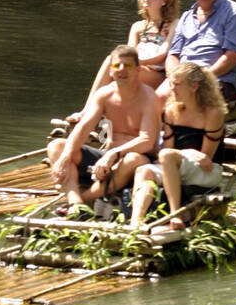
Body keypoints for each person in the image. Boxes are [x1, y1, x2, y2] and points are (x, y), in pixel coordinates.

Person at [48, 46, 160, 208]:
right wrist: (66, 156)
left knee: (131, 158)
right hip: (106, 157)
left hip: (138, 159)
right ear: (110, 71)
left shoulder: (149, 97)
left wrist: (114, 154)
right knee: (56, 146)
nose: (122, 70)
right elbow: (84, 128)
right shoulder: (104, 94)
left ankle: (85, 199)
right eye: (116, 66)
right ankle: (75, 202)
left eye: (127, 66)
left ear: (138, 70)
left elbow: (147, 141)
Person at [130, 63, 227, 230]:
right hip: (177, 166)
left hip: (207, 171)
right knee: (143, 170)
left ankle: (175, 215)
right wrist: (187, 152)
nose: (171, 88)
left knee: (167, 156)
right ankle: (135, 222)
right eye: (171, 83)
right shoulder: (171, 111)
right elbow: (166, 150)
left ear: (194, 87)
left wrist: (179, 155)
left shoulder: (213, 113)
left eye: (177, 84)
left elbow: (205, 158)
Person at [79, 0, 181, 102]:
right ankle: (88, 110)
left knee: (122, 71)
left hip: (156, 73)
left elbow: (163, 53)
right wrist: (126, 62)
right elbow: (129, 52)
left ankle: (93, 112)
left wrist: (139, 62)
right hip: (136, 67)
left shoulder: (173, 24)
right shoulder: (138, 26)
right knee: (111, 62)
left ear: (165, 1)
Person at [161, 0, 236, 102]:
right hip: (182, 79)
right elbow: (173, 55)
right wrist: (174, 76)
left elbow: (232, 57)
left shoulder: (234, 13)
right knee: (156, 99)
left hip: (216, 79)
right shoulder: (186, 17)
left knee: (187, 100)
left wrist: (201, 78)